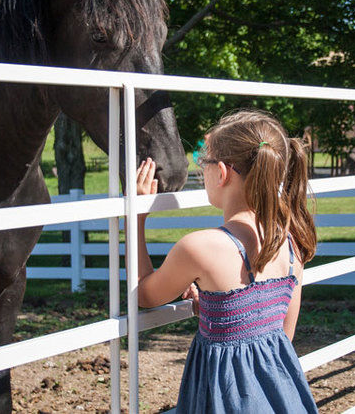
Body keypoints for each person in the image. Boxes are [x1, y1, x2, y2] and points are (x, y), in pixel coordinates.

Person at [134, 110, 318, 413]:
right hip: (280, 399)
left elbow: (146, 294)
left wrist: (137, 219)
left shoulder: (200, 247)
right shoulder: (290, 243)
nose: (200, 170)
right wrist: (216, 307)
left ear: (221, 172)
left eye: (202, 162)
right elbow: (282, 334)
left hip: (225, 401)